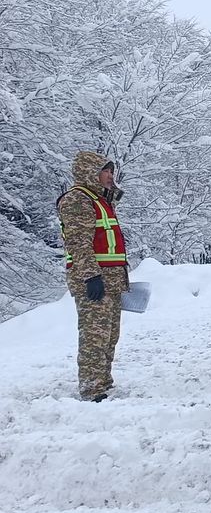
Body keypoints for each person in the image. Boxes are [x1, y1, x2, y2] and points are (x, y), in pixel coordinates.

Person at [57, 151, 129, 402]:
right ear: (90, 172)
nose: (110, 176)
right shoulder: (78, 200)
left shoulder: (99, 200)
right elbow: (78, 243)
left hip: (111, 280)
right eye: (105, 171)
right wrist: (90, 277)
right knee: (94, 337)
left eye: (111, 171)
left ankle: (103, 383)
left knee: (109, 336)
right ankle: (91, 389)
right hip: (94, 281)